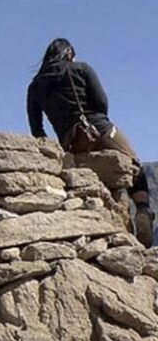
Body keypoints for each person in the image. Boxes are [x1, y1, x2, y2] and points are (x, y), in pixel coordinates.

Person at [27, 37, 154, 244]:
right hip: (101, 131)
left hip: (72, 144)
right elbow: (101, 102)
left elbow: (37, 129)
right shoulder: (81, 68)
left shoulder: (35, 87)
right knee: (135, 166)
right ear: (69, 53)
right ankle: (142, 210)